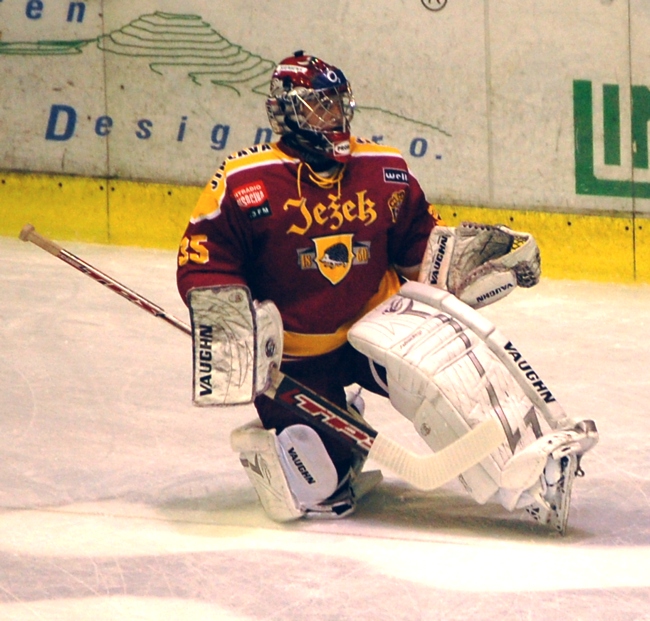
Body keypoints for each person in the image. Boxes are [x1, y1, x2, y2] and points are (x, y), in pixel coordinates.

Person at [177, 51, 597, 530]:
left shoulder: (384, 168)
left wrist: (467, 262)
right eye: (318, 106)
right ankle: (316, 440)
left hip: (379, 325)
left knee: (459, 388)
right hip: (293, 356)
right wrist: (231, 325)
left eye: (335, 104)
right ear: (286, 113)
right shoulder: (244, 181)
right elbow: (203, 260)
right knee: (316, 489)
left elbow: (420, 249)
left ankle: (532, 472)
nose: (332, 116)